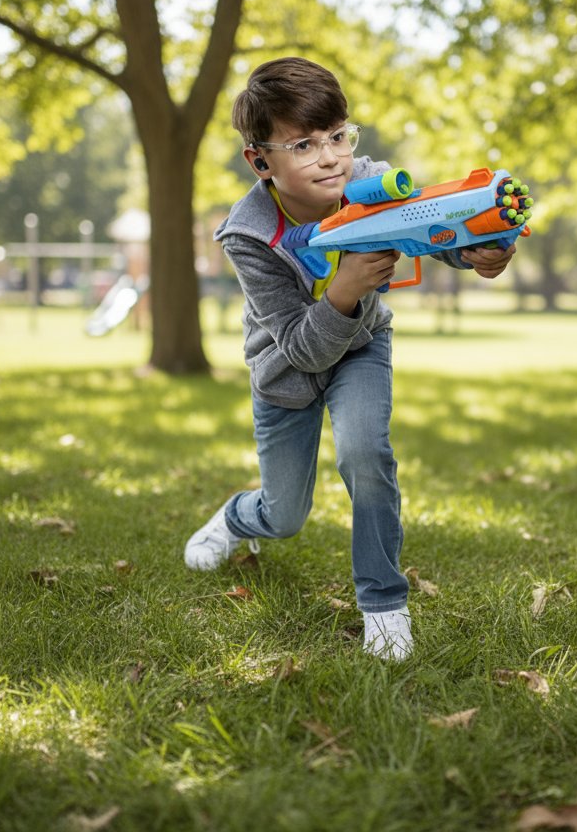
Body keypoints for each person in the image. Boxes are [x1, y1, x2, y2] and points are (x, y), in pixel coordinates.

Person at [184, 57, 516, 660]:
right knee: (285, 515)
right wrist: (344, 289)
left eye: (338, 136)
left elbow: (429, 228)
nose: (331, 158)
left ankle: (384, 605)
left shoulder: (372, 183)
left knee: (366, 455)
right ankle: (235, 519)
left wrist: (478, 251)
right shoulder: (248, 234)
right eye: (303, 145)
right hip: (285, 372)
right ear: (260, 161)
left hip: (362, 348)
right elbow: (298, 346)